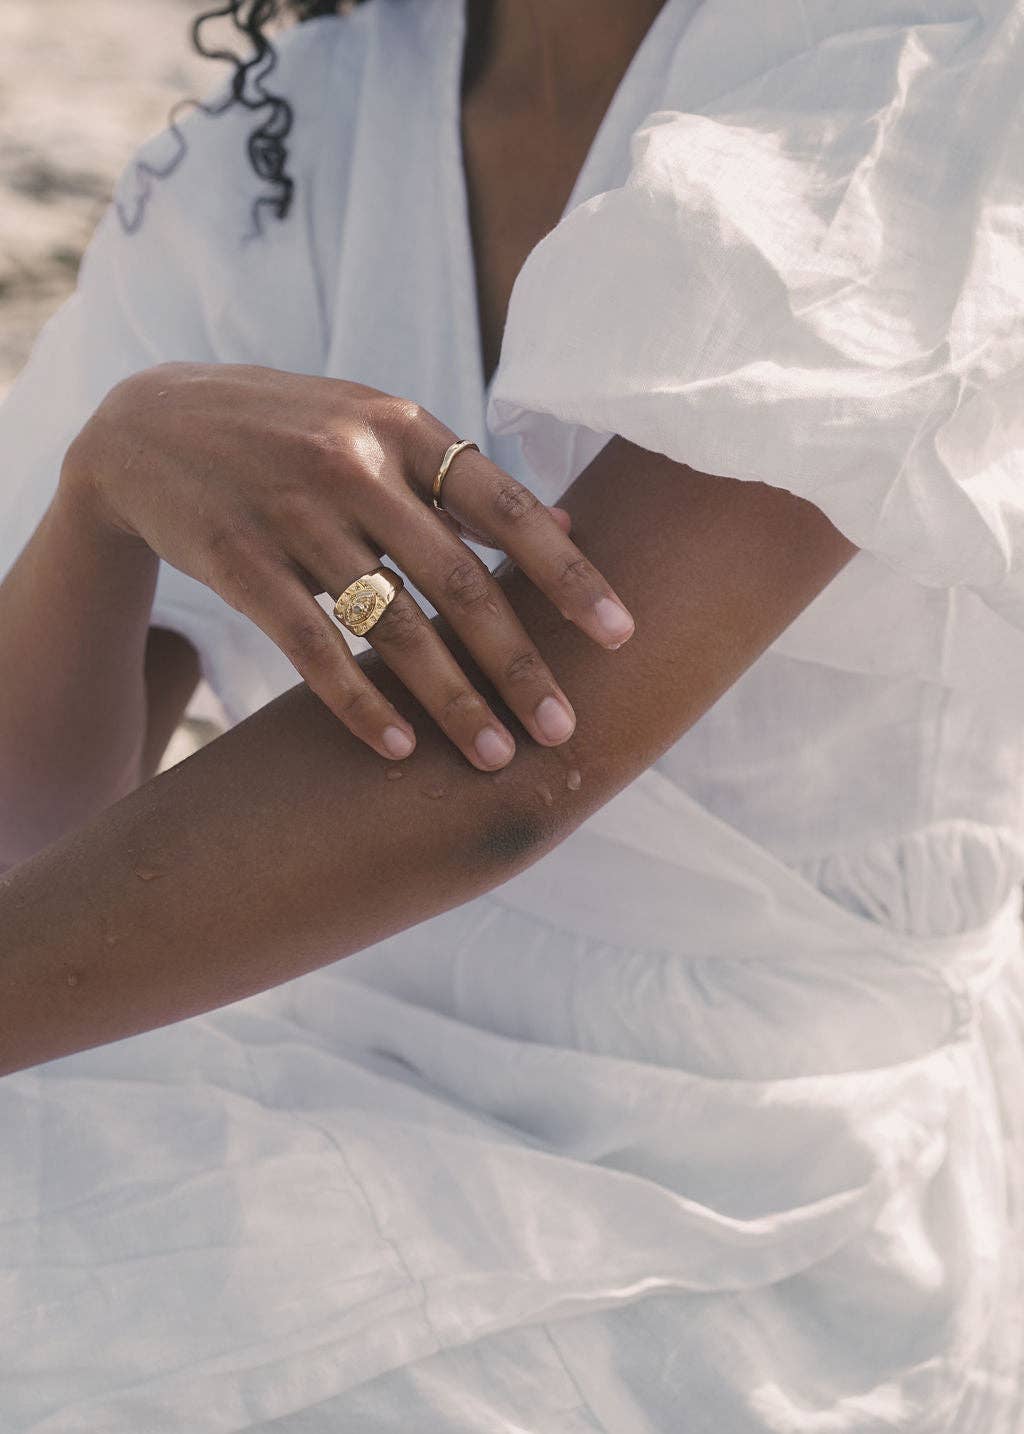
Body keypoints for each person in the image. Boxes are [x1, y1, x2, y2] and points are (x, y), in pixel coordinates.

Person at [1, 0, 1023, 1426]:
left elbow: (502, 767)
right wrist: (100, 496)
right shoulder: (287, 131)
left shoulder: (922, 67)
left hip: (747, 1178)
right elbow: (36, 815)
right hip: (285, 1054)